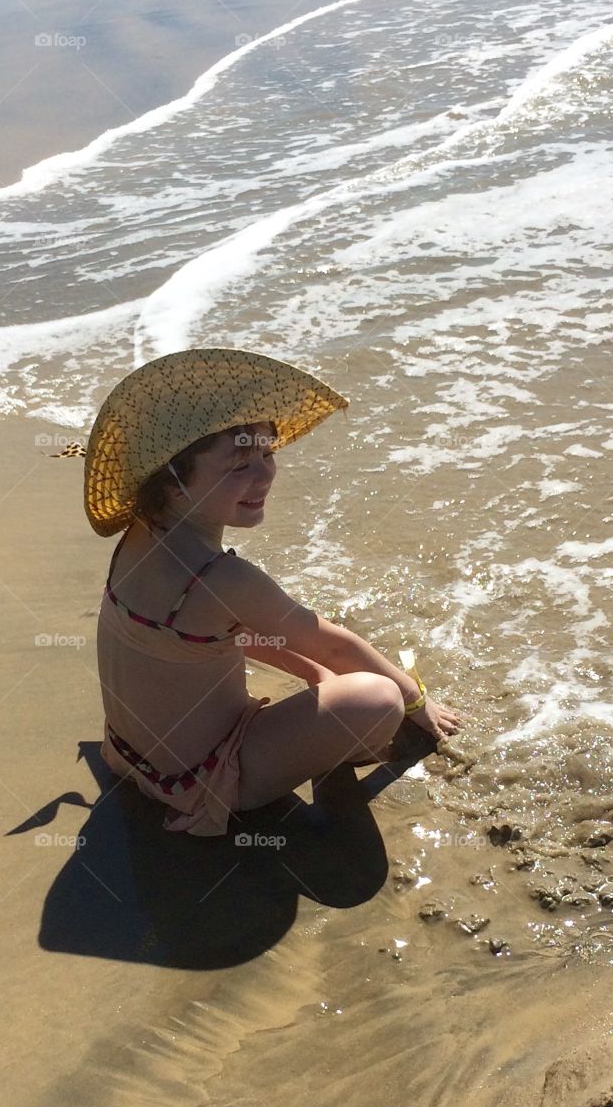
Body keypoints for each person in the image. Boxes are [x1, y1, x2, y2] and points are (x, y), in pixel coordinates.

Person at [66, 346, 463, 836]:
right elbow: (335, 642)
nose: (264, 474)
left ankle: (319, 722)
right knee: (378, 698)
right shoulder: (221, 577)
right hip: (203, 781)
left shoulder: (142, 537)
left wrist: (315, 673)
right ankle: (333, 754)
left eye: (267, 453)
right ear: (171, 482)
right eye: (237, 466)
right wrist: (417, 702)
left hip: (130, 756)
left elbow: (213, 635)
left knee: (302, 659)